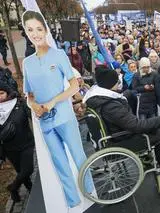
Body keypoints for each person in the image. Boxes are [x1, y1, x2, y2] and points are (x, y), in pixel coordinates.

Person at [22, 10, 94, 208]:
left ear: (45, 30)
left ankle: (90, 194)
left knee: (78, 156)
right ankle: (73, 202)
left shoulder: (59, 54)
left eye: (38, 29)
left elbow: (74, 86)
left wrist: (53, 102)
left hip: (64, 116)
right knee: (60, 164)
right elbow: (29, 95)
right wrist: (34, 106)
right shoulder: (26, 63)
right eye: (30, 30)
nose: (35, 33)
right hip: (44, 122)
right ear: (26, 32)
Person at [83, 66, 160, 179]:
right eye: (117, 81)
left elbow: (117, 99)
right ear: (110, 84)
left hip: (114, 135)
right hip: (121, 140)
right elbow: (136, 125)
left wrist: (128, 93)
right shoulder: (111, 106)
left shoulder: (100, 99)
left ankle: (149, 160)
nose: (119, 83)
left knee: (152, 128)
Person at [0, 81, 34, 202]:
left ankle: (13, 187)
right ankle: (31, 189)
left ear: (7, 92)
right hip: (9, 148)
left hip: (26, 143)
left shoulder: (19, 103)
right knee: (21, 172)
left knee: (28, 169)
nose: (0, 96)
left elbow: (31, 115)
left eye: (1, 93)